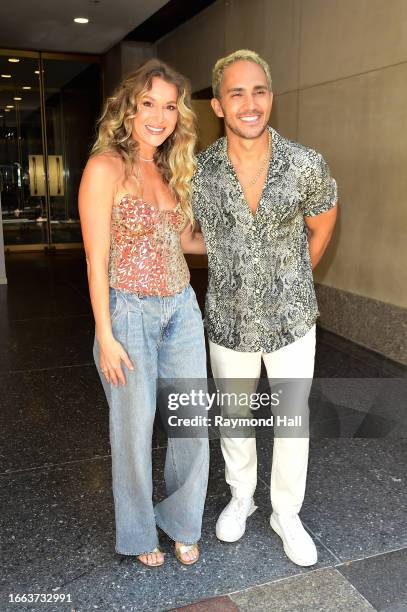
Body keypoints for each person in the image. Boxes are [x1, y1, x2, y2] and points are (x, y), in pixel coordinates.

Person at [192, 49, 338, 567]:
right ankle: (241, 497)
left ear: (271, 97)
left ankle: (286, 513)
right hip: (228, 319)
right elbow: (190, 235)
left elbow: (321, 226)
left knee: (291, 419)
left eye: (258, 91)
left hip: (292, 318)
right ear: (218, 105)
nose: (249, 103)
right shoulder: (199, 171)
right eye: (236, 92)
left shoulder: (305, 163)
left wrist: (288, 277)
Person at [79, 58, 209, 568]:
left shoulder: (172, 168)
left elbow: (181, 241)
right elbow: (96, 259)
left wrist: (240, 241)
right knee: (132, 431)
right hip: (127, 311)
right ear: (129, 108)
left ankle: (181, 520)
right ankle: (137, 534)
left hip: (181, 308)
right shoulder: (105, 166)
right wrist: (105, 335)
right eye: (148, 104)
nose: (159, 116)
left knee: (191, 421)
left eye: (170, 106)